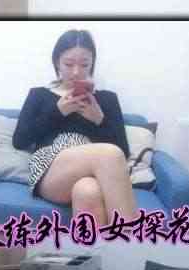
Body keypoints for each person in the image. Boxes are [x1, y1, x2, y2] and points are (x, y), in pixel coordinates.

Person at [13, 29, 137, 226]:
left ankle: (98, 246)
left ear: (92, 63)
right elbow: (19, 140)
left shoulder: (107, 99)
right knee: (110, 154)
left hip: (93, 172)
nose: (76, 72)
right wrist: (57, 112)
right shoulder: (39, 95)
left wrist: (99, 120)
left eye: (84, 64)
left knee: (88, 191)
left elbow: (123, 151)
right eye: (69, 64)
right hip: (51, 167)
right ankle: (133, 241)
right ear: (57, 62)